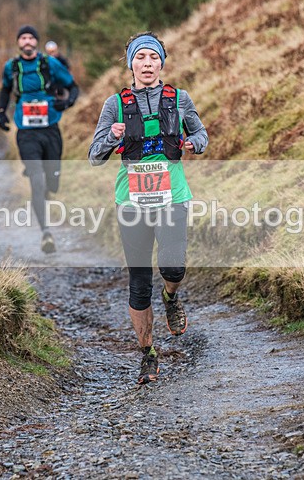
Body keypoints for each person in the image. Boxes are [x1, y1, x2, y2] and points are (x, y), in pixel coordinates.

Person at [88, 32, 208, 385]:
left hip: (172, 196)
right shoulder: (114, 105)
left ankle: (171, 297)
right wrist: (112, 136)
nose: (147, 63)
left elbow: (202, 135)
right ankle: (148, 355)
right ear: (131, 65)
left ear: (161, 64)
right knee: (139, 283)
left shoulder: (179, 99)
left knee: (173, 266)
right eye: (140, 57)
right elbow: (94, 156)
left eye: (153, 57)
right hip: (132, 202)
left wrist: (193, 142)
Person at [0, 25, 79, 254]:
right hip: (26, 131)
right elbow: (4, 90)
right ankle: (46, 233)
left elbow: (72, 86)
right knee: (37, 179)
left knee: (52, 181)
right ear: (18, 42)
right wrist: (0, 112)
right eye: (23, 37)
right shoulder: (12, 67)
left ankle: (48, 185)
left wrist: (67, 102)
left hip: (50, 127)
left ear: (36, 42)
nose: (27, 41)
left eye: (31, 37)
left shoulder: (49, 63)